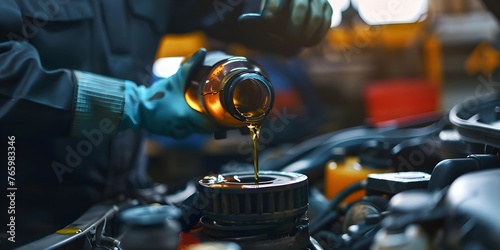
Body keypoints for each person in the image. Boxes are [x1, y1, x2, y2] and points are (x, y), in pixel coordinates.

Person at [0, 0, 332, 247]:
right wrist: (133, 105)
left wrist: (276, 9)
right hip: (20, 217)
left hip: (126, 203)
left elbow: (220, 8)